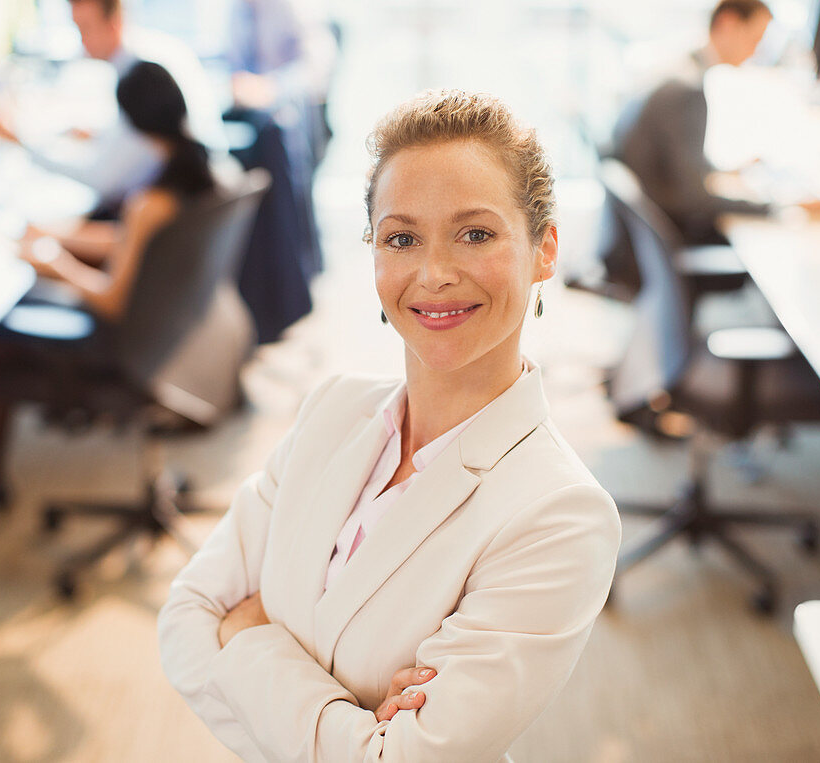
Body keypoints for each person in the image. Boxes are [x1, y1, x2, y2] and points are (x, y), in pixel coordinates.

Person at [157, 90, 622, 760]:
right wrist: (352, 718)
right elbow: (183, 620)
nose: (434, 274)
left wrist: (246, 632)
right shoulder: (332, 409)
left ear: (545, 249)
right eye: (402, 238)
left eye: (477, 233)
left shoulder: (561, 514)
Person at [0, 61, 220, 519]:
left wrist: (55, 263)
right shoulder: (196, 170)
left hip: (125, 347)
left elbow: (112, 296)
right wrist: (59, 235)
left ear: (132, 122)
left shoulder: (151, 200)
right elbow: (134, 242)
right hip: (169, 329)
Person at [0, 0, 227, 217]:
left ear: (115, 23)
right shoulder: (154, 55)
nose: (80, 42)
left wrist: (20, 142)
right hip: (191, 195)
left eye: (85, 29)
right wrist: (98, 135)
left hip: (163, 211)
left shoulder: (141, 80)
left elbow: (103, 179)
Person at [611, 0, 775, 245]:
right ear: (728, 24)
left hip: (647, 230)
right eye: (755, 40)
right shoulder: (687, 90)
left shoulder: (679, 70)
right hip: (672, 231)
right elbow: (693, 197)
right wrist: (774, 207)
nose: (756, 52)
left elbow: (675, 161)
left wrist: (722, 170)